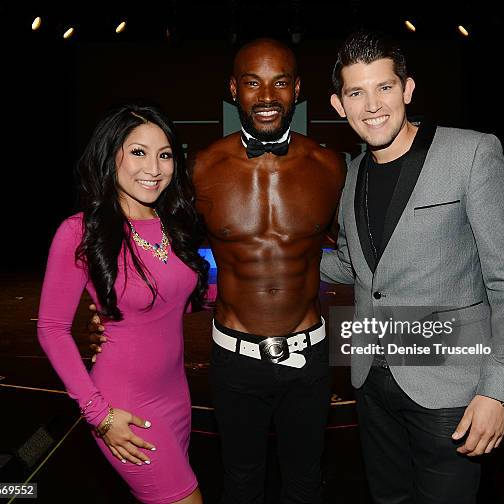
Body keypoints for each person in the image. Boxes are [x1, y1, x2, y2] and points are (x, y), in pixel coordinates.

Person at [90, 39, 346, 504]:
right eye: (252, 82)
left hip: (309, 358)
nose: (267, 95)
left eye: (280, 82)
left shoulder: (331, 166)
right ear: (234, 89)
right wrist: (109, 310)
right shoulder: (200, 169)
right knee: (241, 481)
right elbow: (146, 244)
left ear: (297, 90)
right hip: (235, 359)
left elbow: (358, 254)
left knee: (305, 482)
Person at [320, 31, 504, 503]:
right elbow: (355, 268)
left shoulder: (472, 154)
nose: (372, 105)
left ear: (407, 90)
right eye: (357, 92)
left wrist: (498, 393)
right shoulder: (353, 172)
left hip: (451, 385)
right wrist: (284, 258)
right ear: (340, 105)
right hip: (372, 381)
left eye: (384, 87)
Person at [37, 103, 209, 504]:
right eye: (138, 152)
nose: (154, 167)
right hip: (126, 407)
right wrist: (100, 416)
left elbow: (173, 301)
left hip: (177, 398)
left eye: (164, 155)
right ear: (110, 155)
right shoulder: (79, 231)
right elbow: (51, 329)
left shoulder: (172, 224)